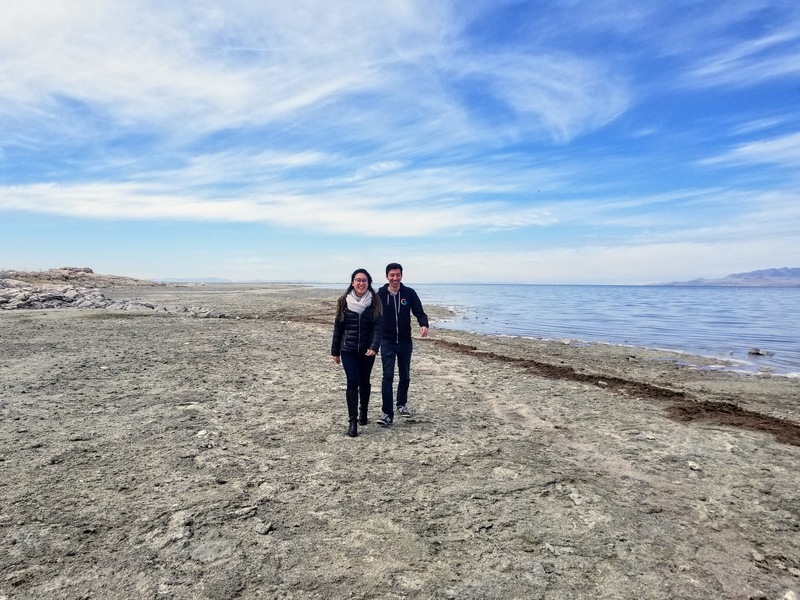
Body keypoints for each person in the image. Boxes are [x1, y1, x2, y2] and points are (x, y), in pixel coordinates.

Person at [331, 268, 383, 437]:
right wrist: (335, 351)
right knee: (352, 381)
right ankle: (352, 421)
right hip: (348, 349)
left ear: (369, 283)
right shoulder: (343, 301)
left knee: (365, 381)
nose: (361, 283)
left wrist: (374, 347)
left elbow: (378, 328)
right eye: (358, 280)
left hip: (367, 350)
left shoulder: (375, 302)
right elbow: (338, 328)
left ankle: (364, 412)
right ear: (353, 282)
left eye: (364, 280)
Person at [376, 262, 428, 426]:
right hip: (387, 342)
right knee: (388, 376)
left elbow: (419, 312)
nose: (395, 278)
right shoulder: (380, 295)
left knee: (405, 375)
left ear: (401, 276)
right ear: (387, 276)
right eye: (392, 275)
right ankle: (387, 413)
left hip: (405, 341)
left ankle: (401, 404)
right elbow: (373, 317)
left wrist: (423, 324)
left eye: (398, 275)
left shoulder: (409, 293)